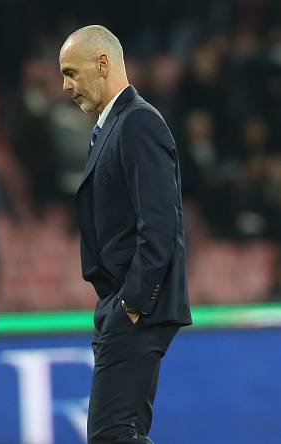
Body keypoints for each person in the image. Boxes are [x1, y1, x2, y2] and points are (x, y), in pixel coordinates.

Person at [58, 26, 192, 443]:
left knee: (111, 434)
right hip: (121, 305)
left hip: (137, 307)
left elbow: (160, 225)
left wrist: (132, 303)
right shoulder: (113, 125)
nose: (65, 86)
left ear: (102, 64)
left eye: (70, 72)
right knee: (122, 432)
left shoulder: (137, 122)